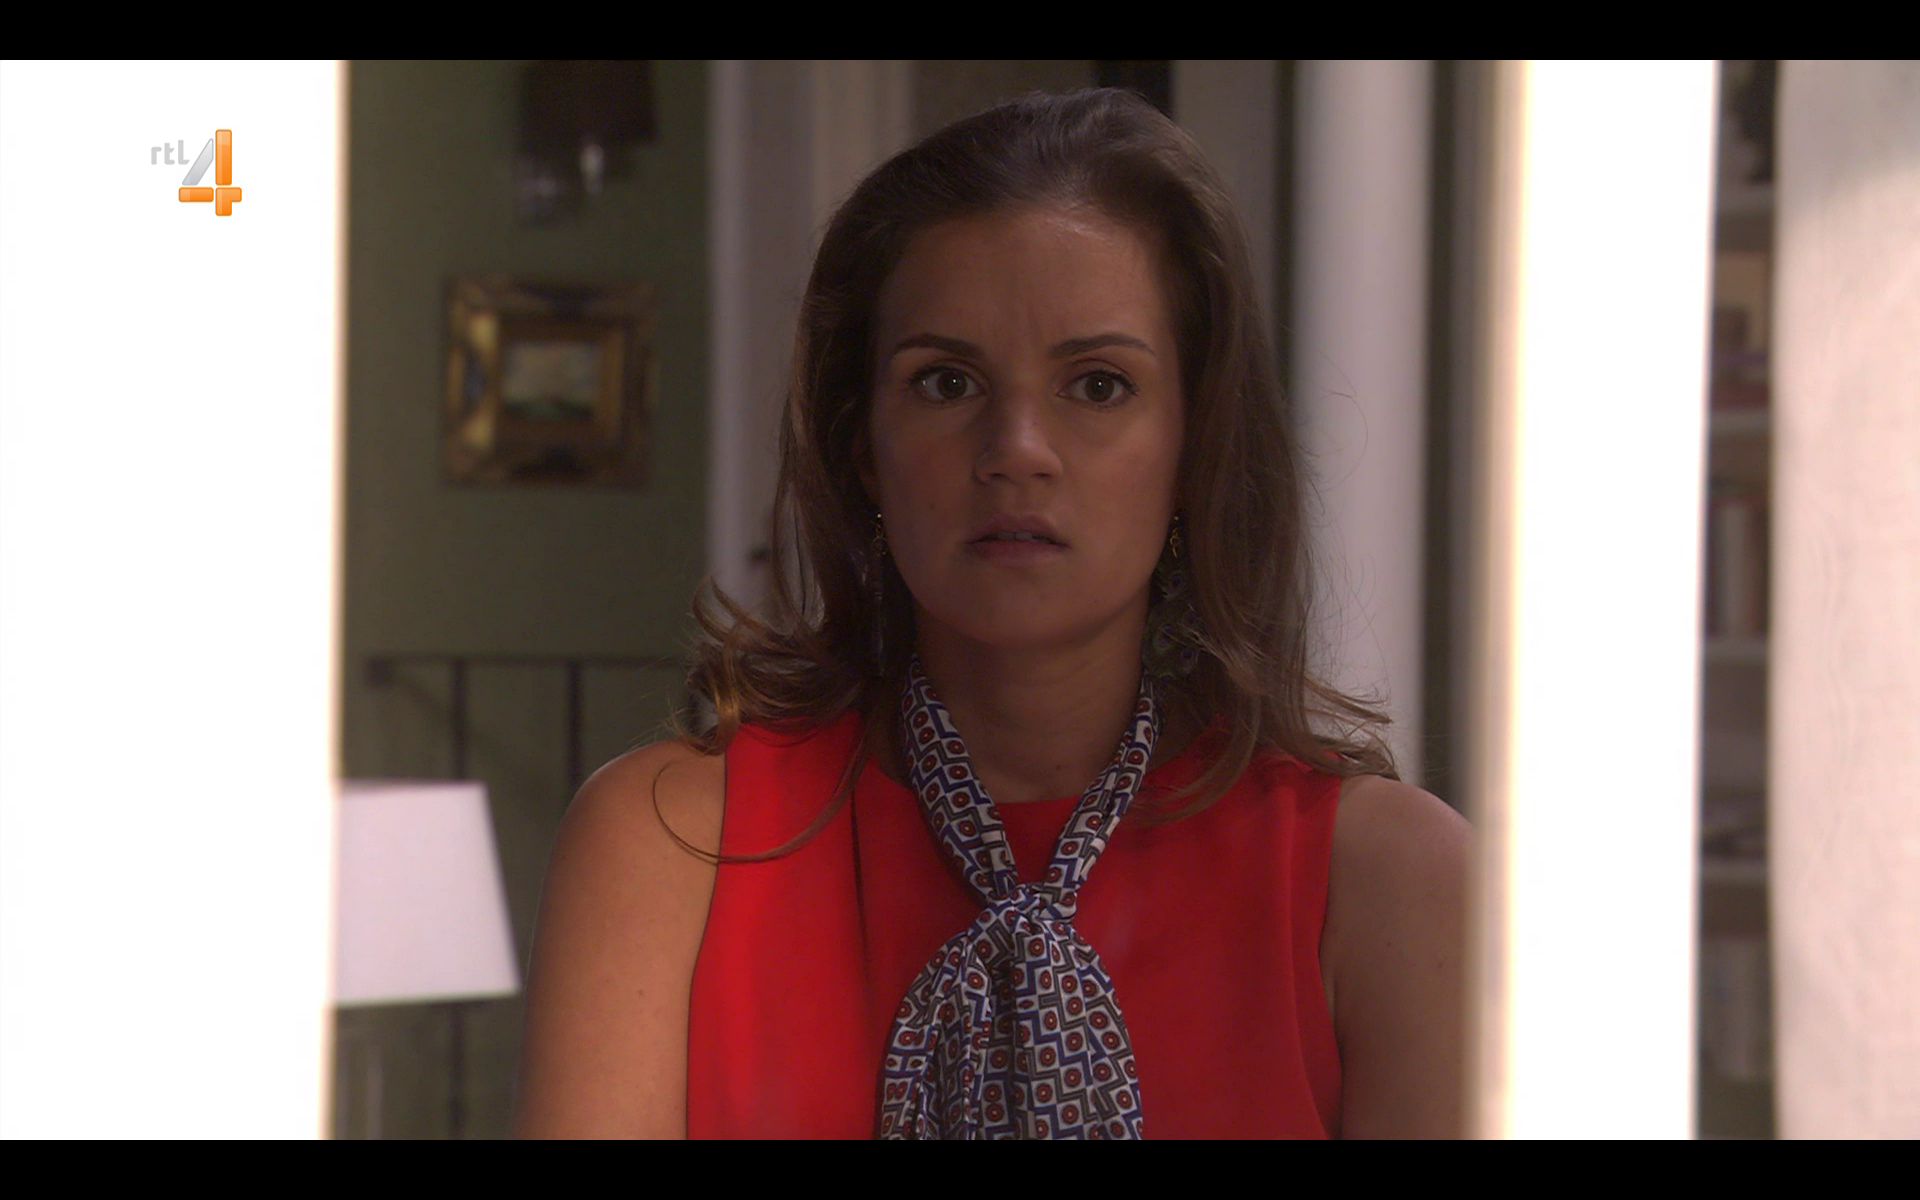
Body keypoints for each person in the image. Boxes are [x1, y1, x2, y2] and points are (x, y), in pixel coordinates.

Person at [510, 87, 1472, 1140]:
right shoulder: (671, 849)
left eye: (1097, 386)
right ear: (862, 445)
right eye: (945, 383)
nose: (1017, 448)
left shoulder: (1382, 884)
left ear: (1196, 447)